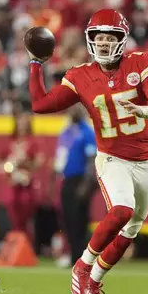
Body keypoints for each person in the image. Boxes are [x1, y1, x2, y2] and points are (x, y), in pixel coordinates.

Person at [29, 9, 148, 294]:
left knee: (130, 231)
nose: (105, 43)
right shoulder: (80, 75)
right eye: (99, 37)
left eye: (110, 37)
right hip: (113, 159)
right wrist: (35, 64)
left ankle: (95, 280)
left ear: (121, 39)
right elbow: (41, 104)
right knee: (122, 210)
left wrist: (144, 110)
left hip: (146, 160)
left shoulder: (141, 63)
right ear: (90, 40)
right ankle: (83, 265)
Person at [52, 103, 97, 268]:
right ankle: (73, 255)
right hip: (67, 179)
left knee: (80, 221)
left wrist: (86, 184)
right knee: (68, 220)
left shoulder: (87, 132)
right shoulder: (65, 132)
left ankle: (82, 256)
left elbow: (92, 159)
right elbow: (60, 157)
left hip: (81, 180)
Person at [0, 106, 43, 241]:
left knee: (26, 208)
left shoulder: (33, 142)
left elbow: (39, 161)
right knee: (11, 205)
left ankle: (25, 240)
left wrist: (25, 163)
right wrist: (3, 168)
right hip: (13, 182)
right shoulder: (10, 142)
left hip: (26, 182)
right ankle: (17, 238)